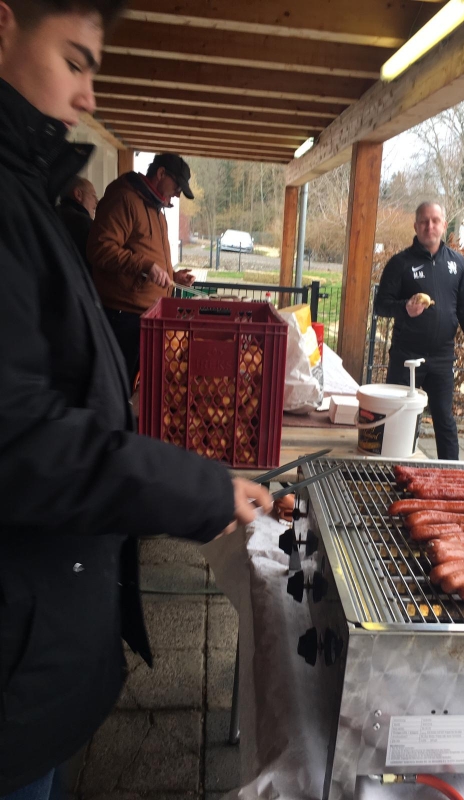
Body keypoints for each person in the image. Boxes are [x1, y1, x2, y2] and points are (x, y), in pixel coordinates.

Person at [0, 1, 272, 797]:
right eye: (75, 61)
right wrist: (196, 487)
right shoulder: (45, 198)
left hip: (37, 651)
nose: (88, 96)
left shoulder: (29, 189)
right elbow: (26, 439)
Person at [374, 202, 464, 460]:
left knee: (444, 420)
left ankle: (451, 473)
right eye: (424, 221)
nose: (429, 226)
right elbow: (381, 305)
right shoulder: (400, 263)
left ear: (444, 225)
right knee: (399, 417)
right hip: (406, 356)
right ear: (416, 226)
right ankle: (393, 469)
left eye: (435, 221)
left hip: (442, 357)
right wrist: (404, 308)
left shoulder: (458, 264)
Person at [88, 152, 196, 389]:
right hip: (122, 317)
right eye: (177, 186)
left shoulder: (156, 210)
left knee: (133, 387)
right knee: (117, 387)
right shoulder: (124, 199)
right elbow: (100, 249)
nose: (177, 194)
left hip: (145, 317)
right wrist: (146, 266)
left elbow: (146, 256)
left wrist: (172, 276)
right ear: (161, 173)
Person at [56, 174, 98, 269]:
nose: (96, 201)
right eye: (93, 195)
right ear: (78, 195)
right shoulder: (83, 222)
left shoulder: (51, 214)